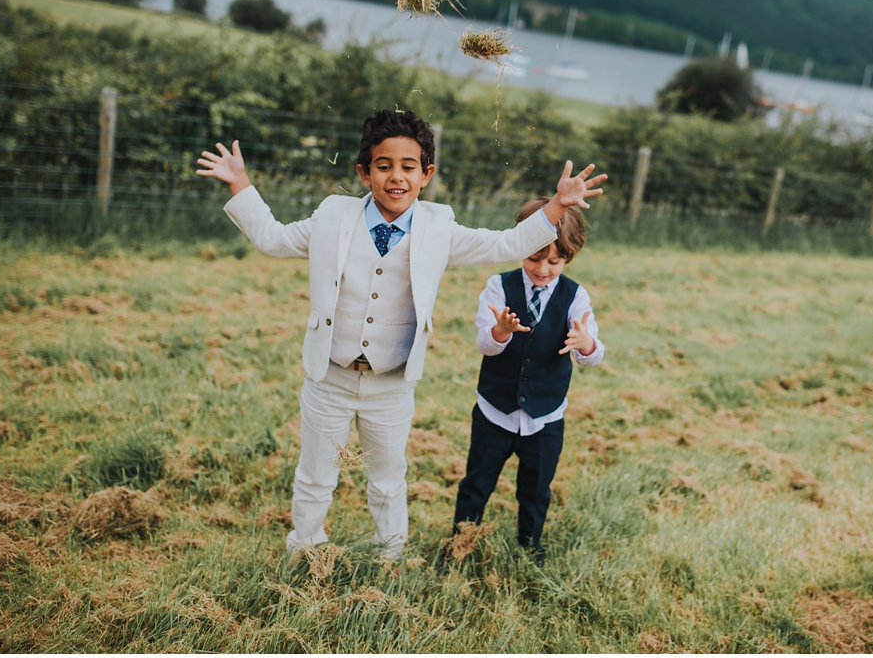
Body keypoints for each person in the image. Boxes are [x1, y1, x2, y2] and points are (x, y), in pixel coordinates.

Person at [195, 108, 606, 559]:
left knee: (389, 477)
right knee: (315, 473)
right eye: (384, 165)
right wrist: (240, 184)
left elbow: (503, 244)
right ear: (364, 172)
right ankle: (305, 550)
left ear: (426, 174)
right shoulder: (333, 215)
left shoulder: (439, 228)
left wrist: (555, 208)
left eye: (408, 167)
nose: (396, 177)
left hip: (391, 383)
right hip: (328, 376)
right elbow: (273, 239)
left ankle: (389, 554)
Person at [452, 198, 604, 567]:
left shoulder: (575, 296)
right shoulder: (498, 287)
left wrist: (587, 344)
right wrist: (501, 331)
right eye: (534, 258)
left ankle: (529, 547)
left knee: (536, 489)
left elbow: (592, 353)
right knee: (477, 482)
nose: (542, 269)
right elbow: (485, 345)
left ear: (568, 257)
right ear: (521, 248)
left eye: (554, 261)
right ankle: (459, 543)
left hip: (545, 419)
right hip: (495, 412)